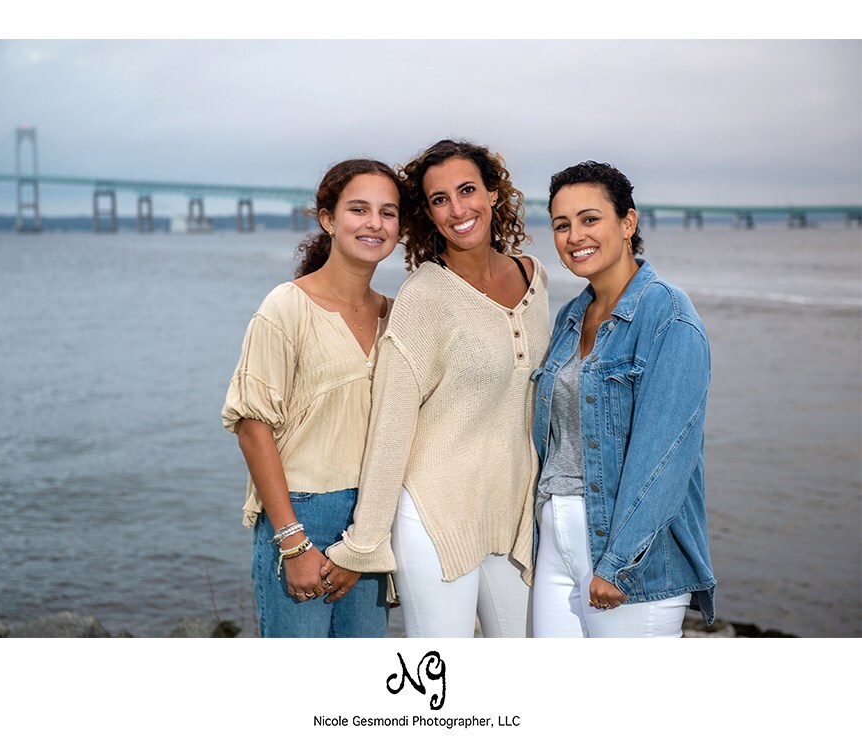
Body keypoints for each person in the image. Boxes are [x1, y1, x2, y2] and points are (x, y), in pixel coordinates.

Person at [323, 139, 550, 637]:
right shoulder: (423, 297)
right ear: (428, 214)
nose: (457, 209)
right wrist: (365, 541)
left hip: (512, 512)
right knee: (439, 676)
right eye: (439, 199)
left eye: (467, 190)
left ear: (494, 194)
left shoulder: (535, 279)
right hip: (435, 513)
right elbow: (390, 425)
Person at [532, 161, 716, 637]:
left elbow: (667, 455)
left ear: (627, 223)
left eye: (590, 219)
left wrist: (620, 561)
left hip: (627, 555)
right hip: (556, 538)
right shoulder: (572, 316)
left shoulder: (668, 315)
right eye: (561, 224)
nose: (575, 236)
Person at [221, 159, 403, 637]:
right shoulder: (285, 307)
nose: (374, 223)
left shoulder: (396, 317)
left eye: (388, 213)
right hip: (301, 516)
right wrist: (293, 541)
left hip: (369, 525)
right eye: (359, 209)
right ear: (328, 219)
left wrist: (373, 534)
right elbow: (252, 427)